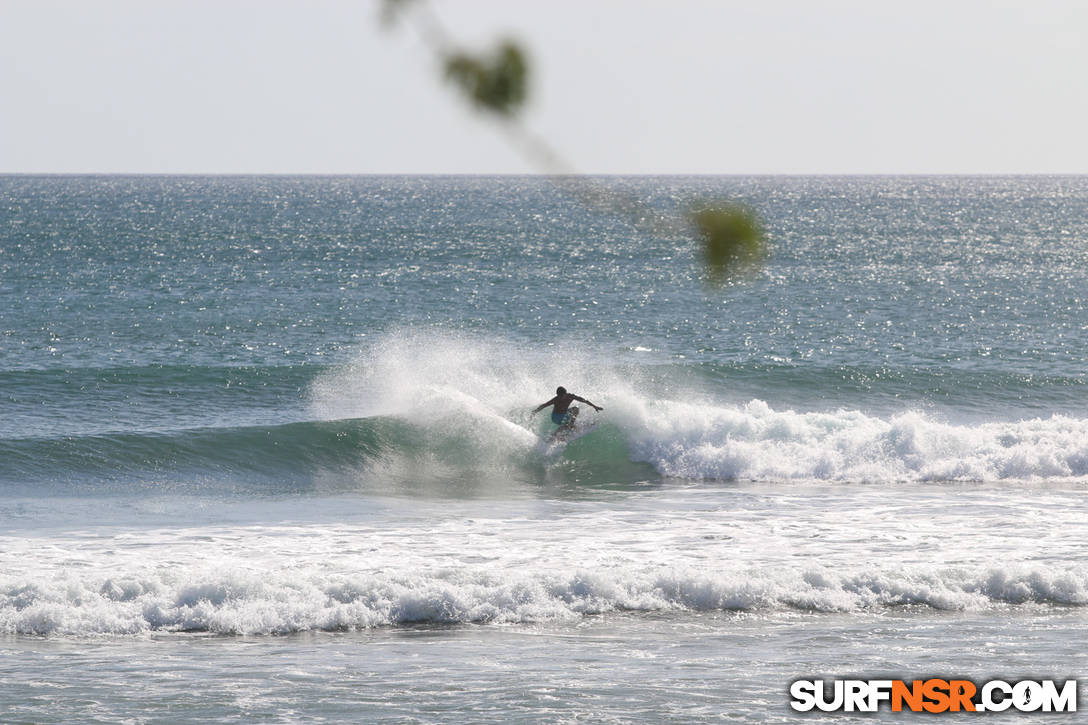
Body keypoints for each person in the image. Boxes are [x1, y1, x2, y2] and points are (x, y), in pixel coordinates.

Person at [531, 386, 603, 435]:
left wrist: (594, 406)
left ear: (565, 393)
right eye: (559, 396)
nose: (561, 398)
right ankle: (555, 434)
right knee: (565, 425)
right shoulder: (556, 399)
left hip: (564, 414)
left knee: (576, 408)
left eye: (562, 396)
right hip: (556, 417)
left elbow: (584, 400)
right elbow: (544, 405)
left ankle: (571, 425)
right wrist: (535, 411)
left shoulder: (571, 396)